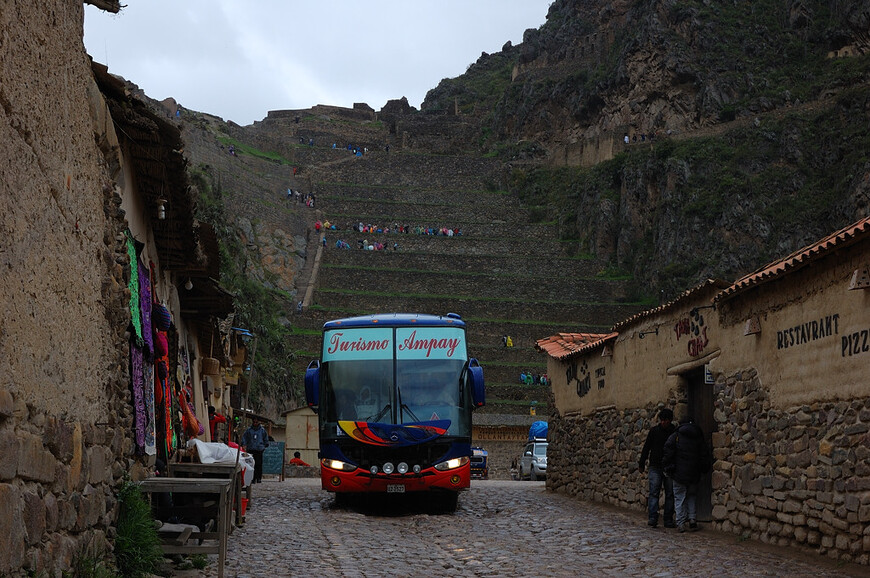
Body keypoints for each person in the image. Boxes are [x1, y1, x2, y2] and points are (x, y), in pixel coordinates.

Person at [662, 412, 711, 533]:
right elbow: (704, 454)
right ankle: (692, 519)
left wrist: (668, 466)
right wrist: (704, 468)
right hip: (694, 472)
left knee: (679, 497)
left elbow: (668, 451)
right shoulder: (698, 437)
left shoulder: (676, 435)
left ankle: (680, 522)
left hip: (679, 472)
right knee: (692, 495)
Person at [638, 407, 676, 528]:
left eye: (667, 420)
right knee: (654, 492)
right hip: (655, 466)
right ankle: (653, 517)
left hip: (669, 467)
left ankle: (668, 519)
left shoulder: (674, 432)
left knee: (670, 494)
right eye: (663, 420)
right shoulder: (654, 431)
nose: (664, 422)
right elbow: (647, 447)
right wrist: (642, 463)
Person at [241, 418, 270, 484]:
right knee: (251, 464)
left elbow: (265, 438)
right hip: (251, 449)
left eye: (256, 422)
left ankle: (258, 478)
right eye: (254, 422)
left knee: (258, 464)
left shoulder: (262, 430)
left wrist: (265, 445)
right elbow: (244, 437)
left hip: (259, 449)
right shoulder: (249, 430)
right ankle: (252, 478)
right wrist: (244, 444)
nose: (255, 423)